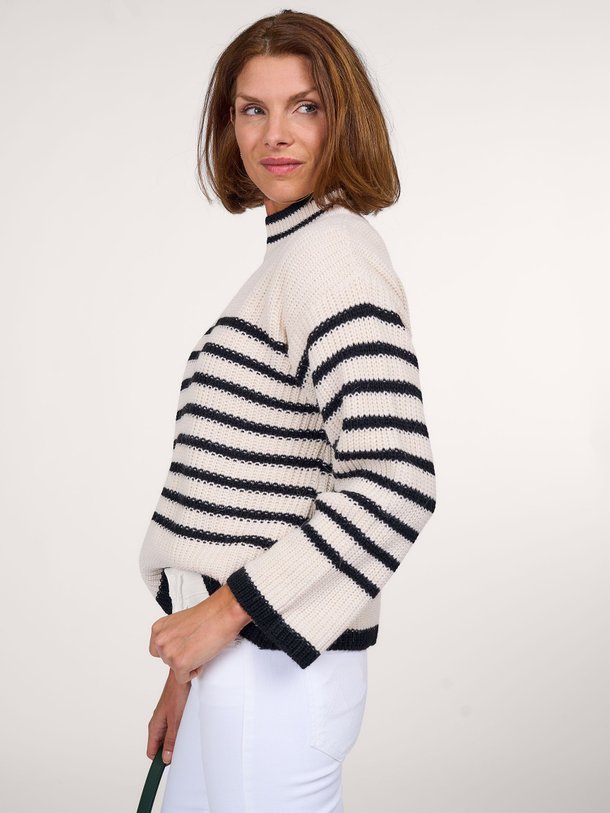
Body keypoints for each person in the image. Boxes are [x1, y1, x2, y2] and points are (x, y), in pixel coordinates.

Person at [139, 9, 436, 812]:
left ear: (345, 119)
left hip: (276, 671)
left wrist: (222, 615)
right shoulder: (291, 258)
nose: (276, 134)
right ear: (228, 124)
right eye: (252, 108)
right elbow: (244, 499)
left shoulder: (331, 257)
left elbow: (396, 480)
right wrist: (189, 668)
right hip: (236, 667)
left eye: (305, 106)